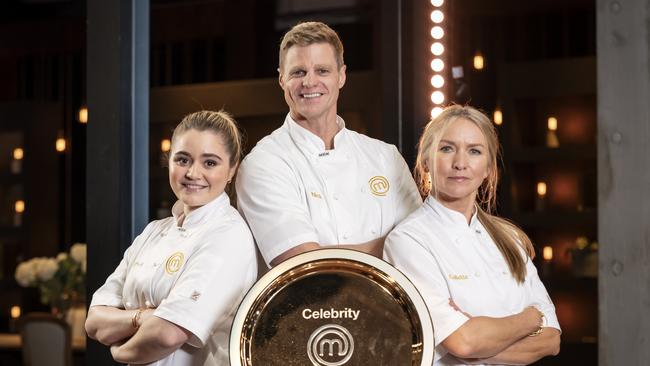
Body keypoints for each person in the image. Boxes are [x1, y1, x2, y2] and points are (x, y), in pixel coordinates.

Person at [384, 105, 561, 365]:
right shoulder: (408, 241)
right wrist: (531, 318)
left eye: (474, 151)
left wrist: (478, 342)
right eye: (447, 148)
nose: (460, 163)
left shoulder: (509, 239)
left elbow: (551, 341)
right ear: (425, 161)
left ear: (489, 167)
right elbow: (463, 342)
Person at [236, 21, 421, 267]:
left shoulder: (385, 157)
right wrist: (395, 247)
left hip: (393, 305)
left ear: (341, 76)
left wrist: (327, 253)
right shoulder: (263, 163)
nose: (310, 82)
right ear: (282, 80)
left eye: (322, 71)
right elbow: (303, 264)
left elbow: (422, 245)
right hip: (307, 306)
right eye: (298, 72)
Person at [85, 110, 257, 365]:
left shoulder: (228, 234)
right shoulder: (154, 231)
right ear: (170, 161)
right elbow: (94, 322)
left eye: (210, 163)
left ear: (232, 169)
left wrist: (121, 351)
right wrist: (145, 318)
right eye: (183, 160)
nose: (193, 173)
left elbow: (168, 334)